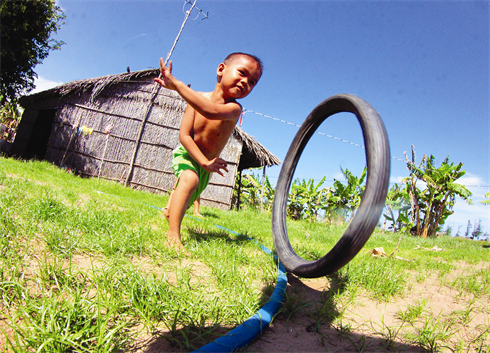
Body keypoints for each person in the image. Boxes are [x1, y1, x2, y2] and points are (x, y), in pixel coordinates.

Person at [154, 52, 263, 249]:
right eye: (242, 73)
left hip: (207, 166)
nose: (246, 82)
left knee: (182, 203)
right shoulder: (196, 100)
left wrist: (177, 86)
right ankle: (173, 237)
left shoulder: (234, 109)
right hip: (188, 154)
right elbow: (184, 136)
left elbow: (210, 111)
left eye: (253, 82)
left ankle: (170, 211)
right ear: (221, 69)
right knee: (189, 179)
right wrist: (202, 161)